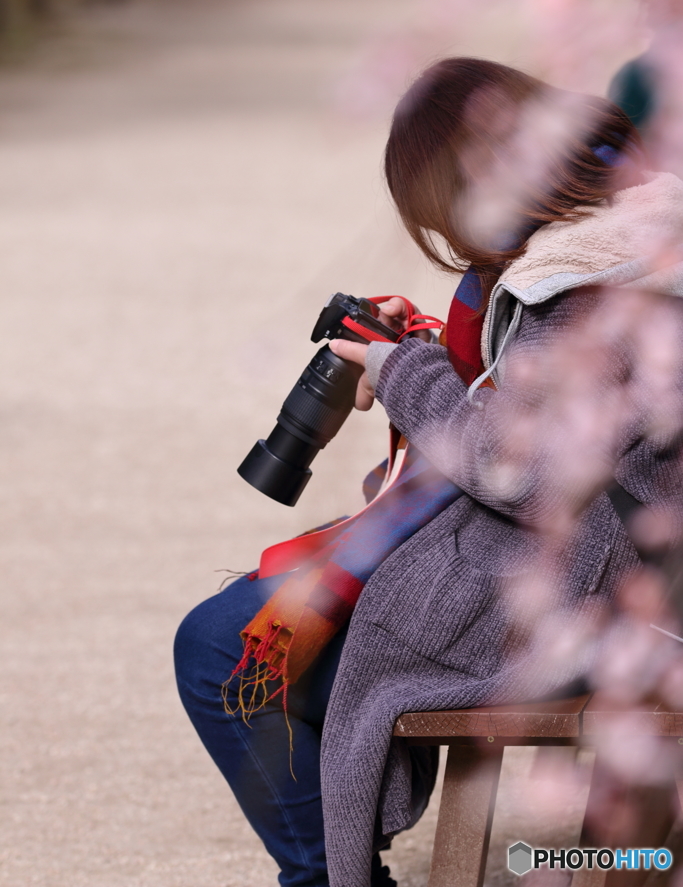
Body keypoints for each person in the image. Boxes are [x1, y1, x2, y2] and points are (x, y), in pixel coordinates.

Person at [174, 58, 683, 887]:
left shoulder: (582, 282)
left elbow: (525, 466)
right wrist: (416, 357)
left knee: (220, 650)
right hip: (614, 574)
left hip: (586, 596)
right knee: (251, 635)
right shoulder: (629, 228)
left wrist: (402, 375)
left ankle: (325, 879)